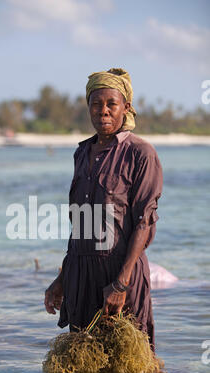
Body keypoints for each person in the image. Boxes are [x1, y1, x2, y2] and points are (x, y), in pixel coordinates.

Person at [44, 68, 163, 351]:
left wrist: (121, 284)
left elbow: (143, 223)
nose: (103, 111)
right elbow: (81, 225)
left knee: (132, 368)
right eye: (96, 104)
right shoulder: (81, 153)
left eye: (112, 104)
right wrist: (61, 279)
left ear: (126, 108)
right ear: (88, 107)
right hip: (80, 275)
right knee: (84, 366)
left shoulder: (140, 153)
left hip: (120, 272)